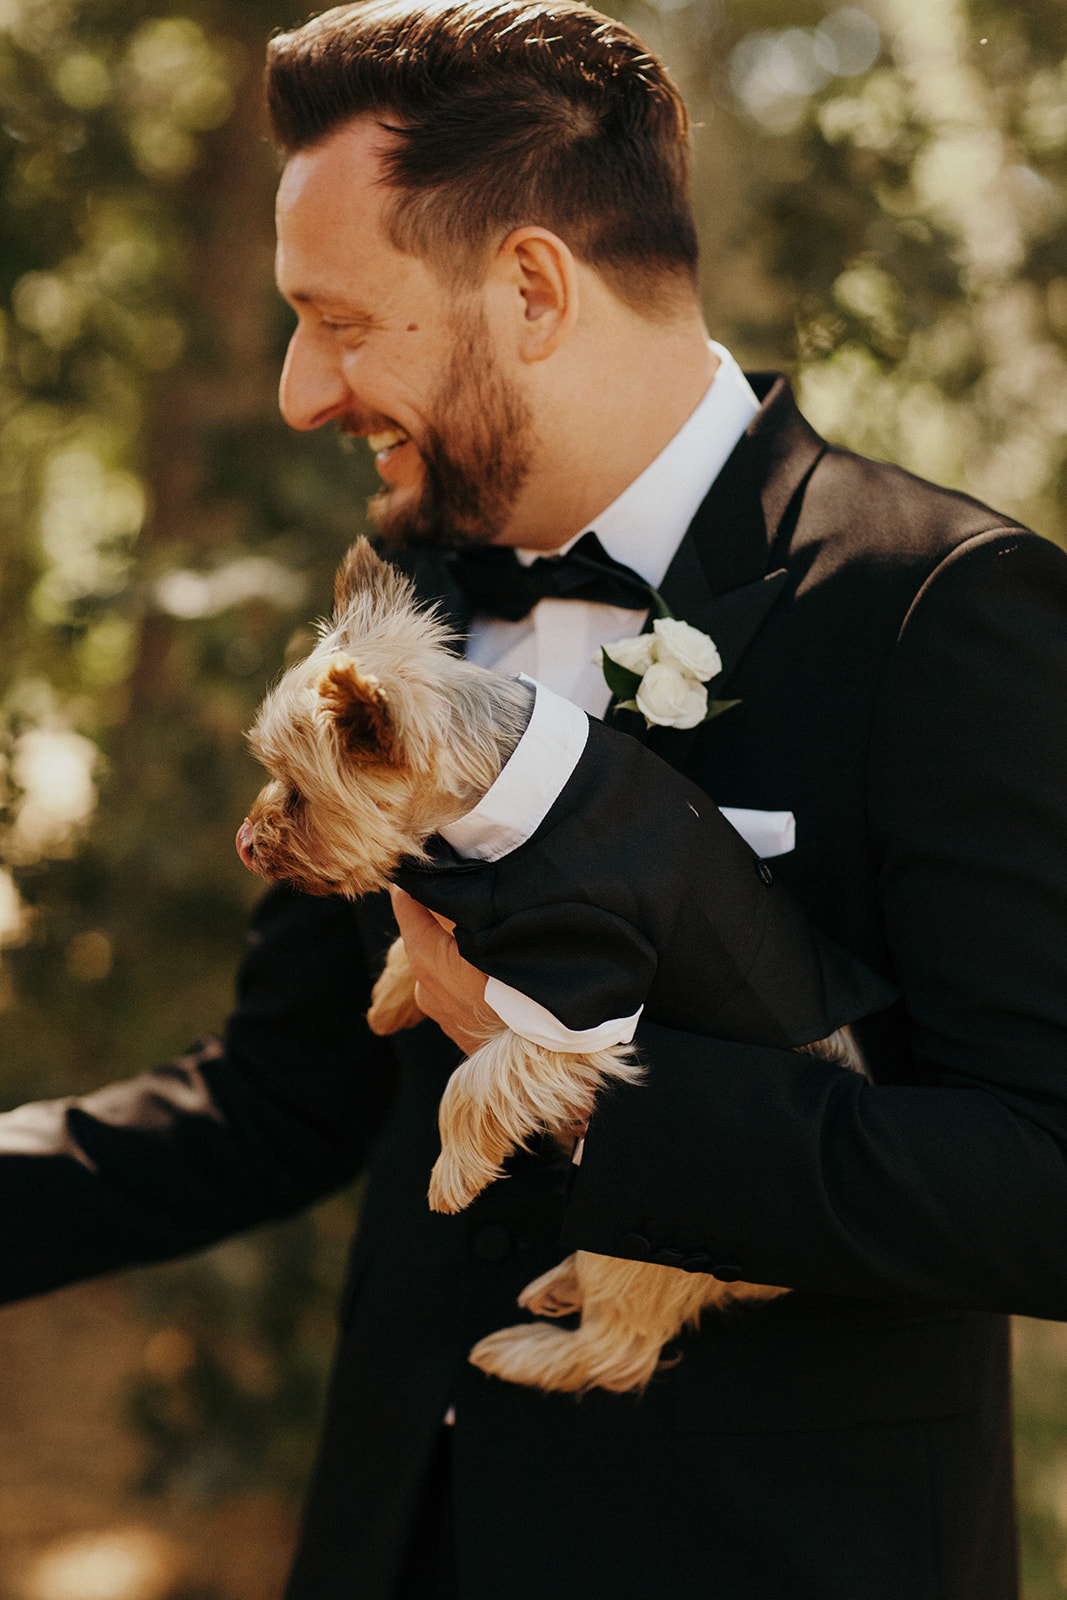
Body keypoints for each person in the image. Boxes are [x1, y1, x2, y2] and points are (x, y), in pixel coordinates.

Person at [2, 2, 1066, 1595]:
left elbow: (1041, 1181)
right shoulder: (399, 608)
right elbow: (282, 1091)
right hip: (395, 1543)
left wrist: (575, 1088)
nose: (303, 390)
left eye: (340, 322)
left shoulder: (944, 610)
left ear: (529, 289)